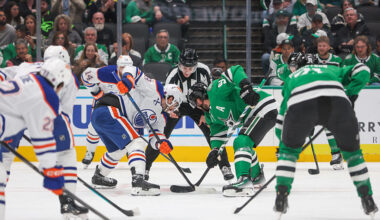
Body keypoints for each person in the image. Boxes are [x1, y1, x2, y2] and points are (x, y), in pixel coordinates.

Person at [274, 52, 378, 217]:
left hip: (301, 104)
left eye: (294, 67)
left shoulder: (291, 80)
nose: (292, 70)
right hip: (337, 102)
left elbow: (282, 117)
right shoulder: (330, 69)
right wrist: (351, 92)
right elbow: (363, 69)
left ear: (300, 66)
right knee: (354, 155)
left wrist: (284, 144)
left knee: (288, 153)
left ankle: (281, 196)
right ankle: (367, 197)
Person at [1, 45, 89, 218]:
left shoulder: (26, 66)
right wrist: (50, 169)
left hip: (10, 113)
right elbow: (62, 112)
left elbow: (3, 74)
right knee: (66, 152)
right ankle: (68, 203)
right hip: (43, 113)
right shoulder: (65, 77)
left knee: (3, 161)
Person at [81, 63, 184, 196]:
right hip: (108, 110)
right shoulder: (155, 89)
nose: (174, 108)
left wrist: (162, 143)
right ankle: (138, 182)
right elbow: (132, 69)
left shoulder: (161, 117)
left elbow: (156, 136)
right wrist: (128, 81)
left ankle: (99, 176)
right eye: (175, 104)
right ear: (171, 98)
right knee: (137, 142)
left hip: (103, 117)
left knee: (119, 150)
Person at [144, 48, 235, 182]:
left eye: (190, 68)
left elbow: (212, 94)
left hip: (198, 105)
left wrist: (206, 113)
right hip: (178, 105)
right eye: (183, 67)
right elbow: (167, 96)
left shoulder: (203, 71)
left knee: (214, 133)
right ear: (179, 64)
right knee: (160, 135)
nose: (187, 71)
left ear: (196, 65)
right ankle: (145, 168)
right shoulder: (173, 74)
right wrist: (170, 111)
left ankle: (225, 166)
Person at [187, 65, 278, 197]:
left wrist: (246, 87)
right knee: (244, 144)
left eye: (196, 101)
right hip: (254, 114)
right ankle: (256, 175)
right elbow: (218, 136)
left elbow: (234, 70)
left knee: (240, 141)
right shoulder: (210, 115)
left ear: (200, 96)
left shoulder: (215, 89)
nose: (198, 105)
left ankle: (244, 182)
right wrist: (214, 151)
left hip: (262, 105)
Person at [81, 55, 134, 167]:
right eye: (122, 67)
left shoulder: (134, 76)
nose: (125, 71)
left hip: (122, 106)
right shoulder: (106, 72)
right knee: (93, 128)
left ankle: (132, 151)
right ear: (117, 66)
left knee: (131, 127)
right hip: (103, 104)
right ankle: (90, 151)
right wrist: (96, 92)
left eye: (128, 68)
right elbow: (85, 75)